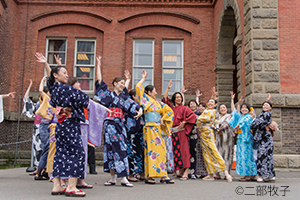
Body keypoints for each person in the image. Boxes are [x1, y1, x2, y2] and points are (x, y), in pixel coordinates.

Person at [36, 51, 90, 197]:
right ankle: (71, 186)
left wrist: (49, 65)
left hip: (60, 125)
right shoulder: (68, 89)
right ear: (56, 75)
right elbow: (84, 100)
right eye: (64, 73)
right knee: (77, 152)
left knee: (60, 153)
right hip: (70, 124)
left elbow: (50, 80)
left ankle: (57, 185)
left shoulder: (54, 90)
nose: (67, 75)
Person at [94, 56, 143, 187]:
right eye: (120, 83)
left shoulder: (123, 98)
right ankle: (112, 177)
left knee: (121, 149)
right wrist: (98, 64)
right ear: (114, 83)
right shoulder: (108, 95)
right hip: (109, 125)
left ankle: (123, 178)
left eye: (123, 83)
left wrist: (140, 111)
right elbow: (100, 81)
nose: (122, 85)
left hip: (119, 126)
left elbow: (135, 106)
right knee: (109, 150)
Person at [135, 70, 175, 184]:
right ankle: (149, 176)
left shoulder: (158, 103)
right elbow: (138, 87)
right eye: (154, 91)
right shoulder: (145, 100)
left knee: (162, 151)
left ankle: (163, 175)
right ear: (148, 92)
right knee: (150, 152)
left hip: (157, 129)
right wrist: (143, 78)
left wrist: (163, 118)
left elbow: (170, 111)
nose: (156, 93)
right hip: (149, 129)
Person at [162, 81, 196, 181]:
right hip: (173, 132)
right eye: (177, 97)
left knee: (184, 151)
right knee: (176, 152)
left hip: (181, 132)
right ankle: (180, 171)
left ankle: (186, 171)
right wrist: (167, 89)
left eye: (180, 97)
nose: (179, 98)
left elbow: (193, 116)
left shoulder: (185, 108)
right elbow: (165, 100)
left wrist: (184, 122)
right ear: (174, 99)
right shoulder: (171, 108)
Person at [196, 99, 232, 182]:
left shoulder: (214, 112)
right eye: (209, 102)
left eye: (212, 102)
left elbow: (205, 119)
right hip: (203, 133)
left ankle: (226, 172)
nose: (210, 103)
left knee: (214, 151)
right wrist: (198, 126)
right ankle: (210, 173)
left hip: (208, 132)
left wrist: (199, 119)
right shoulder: (207, 111)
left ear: (215, 105)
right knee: (206, 153)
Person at [229, 92, 257, 182]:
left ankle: (249, 175)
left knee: (247, 157)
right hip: (241, 139)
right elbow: (235, 113)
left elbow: (242, 123)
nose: (244, 109)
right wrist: (233, 100)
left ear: (249, 110)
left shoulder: (248, 117)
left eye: (246, 108)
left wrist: (237, 126)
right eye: (242, 108)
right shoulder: (241, 116)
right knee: (241, 156)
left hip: (247, 139)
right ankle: (248, 174)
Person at [251, 94, 276, 183]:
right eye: (264, 105)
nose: (265, 106)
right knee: (266, 156)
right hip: (263, 138)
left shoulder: (267, 114)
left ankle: (262, 175)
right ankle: (270, 176)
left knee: (263, 156)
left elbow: (259, 123)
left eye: (267, 105)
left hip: (265, 138)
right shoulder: (263, 114)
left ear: (270, 108)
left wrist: (254, 123)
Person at [22, 80, 42, 175]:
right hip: (37, 129)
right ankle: (38, 168)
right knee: (37, 148)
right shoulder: (36, 106)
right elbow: (26, 99)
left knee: (44, 149)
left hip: (44, 128)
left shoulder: (47, 105)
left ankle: (43, 169)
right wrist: (29, 86)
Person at [214, 103, 235, 179]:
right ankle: (218, 173)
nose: (222, 109)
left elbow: (226, 124)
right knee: (218, 154)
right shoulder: (218, 117)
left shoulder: (229, 116)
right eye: (221, 108)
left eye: (224, 107)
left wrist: (220, 129)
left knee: (227, 155)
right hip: (219, 138)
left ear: (227, 109)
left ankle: (227, 173)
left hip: (227, 138)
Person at [186, 100, 200, 179]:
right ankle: (188, 171)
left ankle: (194, 172)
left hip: (196, 136)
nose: (192, 105)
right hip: (188, 136)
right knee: (189, 154)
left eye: (194, 104)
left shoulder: (199, 114)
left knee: (195, 154)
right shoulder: (187, 114)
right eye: (191, 104)